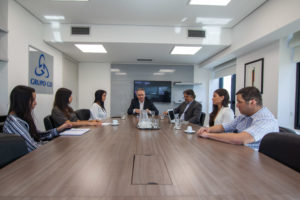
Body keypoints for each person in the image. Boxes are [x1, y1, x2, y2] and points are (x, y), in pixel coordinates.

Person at [197, 86, 279, 150]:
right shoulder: (245, 115)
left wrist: (208, 135)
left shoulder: (266, 120)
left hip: (257, 162)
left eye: (239, 102)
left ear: (252, 102)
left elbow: (240, 139)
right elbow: (225, 126)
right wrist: (208, 129)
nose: (236, 105)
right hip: (242, 154)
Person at [3, 85, 72, 152]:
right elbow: (33, 148)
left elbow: (37, 136)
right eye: (33, 100)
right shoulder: (14, 122)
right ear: (23, 101)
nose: (35, 103)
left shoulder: (22, 117)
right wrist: (54, 147)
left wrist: (58, 129)